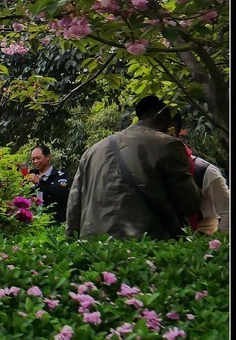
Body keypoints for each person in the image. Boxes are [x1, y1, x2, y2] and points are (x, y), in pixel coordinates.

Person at [66, 96, 202, 239]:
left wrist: (71, 245)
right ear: (171, 126)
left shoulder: (92, 151)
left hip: (96, 249)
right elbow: (189, 204)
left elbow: (74, 207)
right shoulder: (168, 145)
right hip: (145, 247)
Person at [166, 114, 230, 235]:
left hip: (203, 237)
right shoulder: (150, 170)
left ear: (172, 132)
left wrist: (215, 247)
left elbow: (227, 211)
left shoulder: (204, 171)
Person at [26, 144, 71, 224]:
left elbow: (62, 194)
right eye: (33, 159)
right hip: (33, 224)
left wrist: (40, 182)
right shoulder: (30, 175)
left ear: (47, 157)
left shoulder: (60, 176)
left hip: (54, 224)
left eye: (38, 158)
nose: (35, 161)